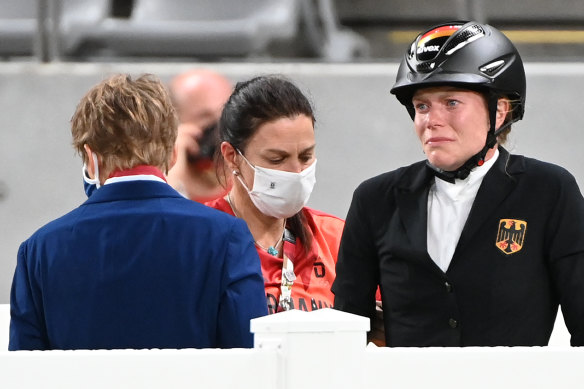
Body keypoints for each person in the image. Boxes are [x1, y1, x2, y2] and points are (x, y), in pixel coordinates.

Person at [332, 21, 584, 346]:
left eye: (451, 103)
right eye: (422, 106)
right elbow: (344, 330)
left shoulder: (549, 190)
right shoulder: (375, 199)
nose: (431, 120)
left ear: (500, 112)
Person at [9, 74, 267, 351]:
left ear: (91, 158)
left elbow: (25, 368)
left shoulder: (39, 250)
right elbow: (249, 354)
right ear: (172, 154)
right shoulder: (227, 236)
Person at [205, 75, 345, 314]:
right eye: (276, 159)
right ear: (232, 157)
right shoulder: (199, 237)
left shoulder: (337, 239)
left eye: (305, 156)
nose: (296, 172)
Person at [166, 69, 233, 202]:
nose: (219, 126)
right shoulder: (155, 178)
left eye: (226, 113)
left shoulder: (249, 179)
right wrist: (173, 159)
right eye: (205, 117)